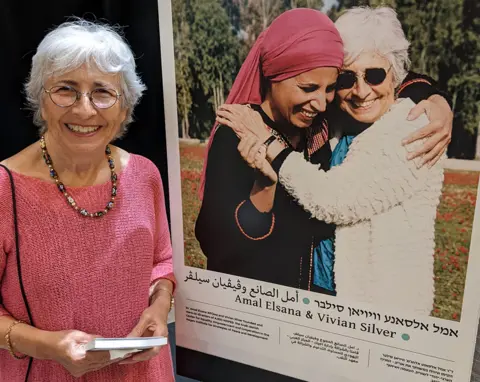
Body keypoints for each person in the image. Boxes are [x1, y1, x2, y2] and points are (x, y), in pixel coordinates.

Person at [197, 8, 451, 294]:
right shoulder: (251, 129)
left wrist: (436, 99)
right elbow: (215, 240)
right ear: (274, 76)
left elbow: (332, 198)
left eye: (375, 76)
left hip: (366, 307)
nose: (360, 91)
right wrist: (263, 189)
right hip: (269, 308)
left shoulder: (398, 125)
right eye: (344, 81)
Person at [0, 20, 175, 381]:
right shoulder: (6, 189)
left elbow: (162, 262)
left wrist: (160, 307)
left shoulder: (145, 175)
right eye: (66, 90)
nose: (84, 109)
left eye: (102, 93)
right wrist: (47, 345)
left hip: (144, 373)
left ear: (124, 107)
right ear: (40, 100)